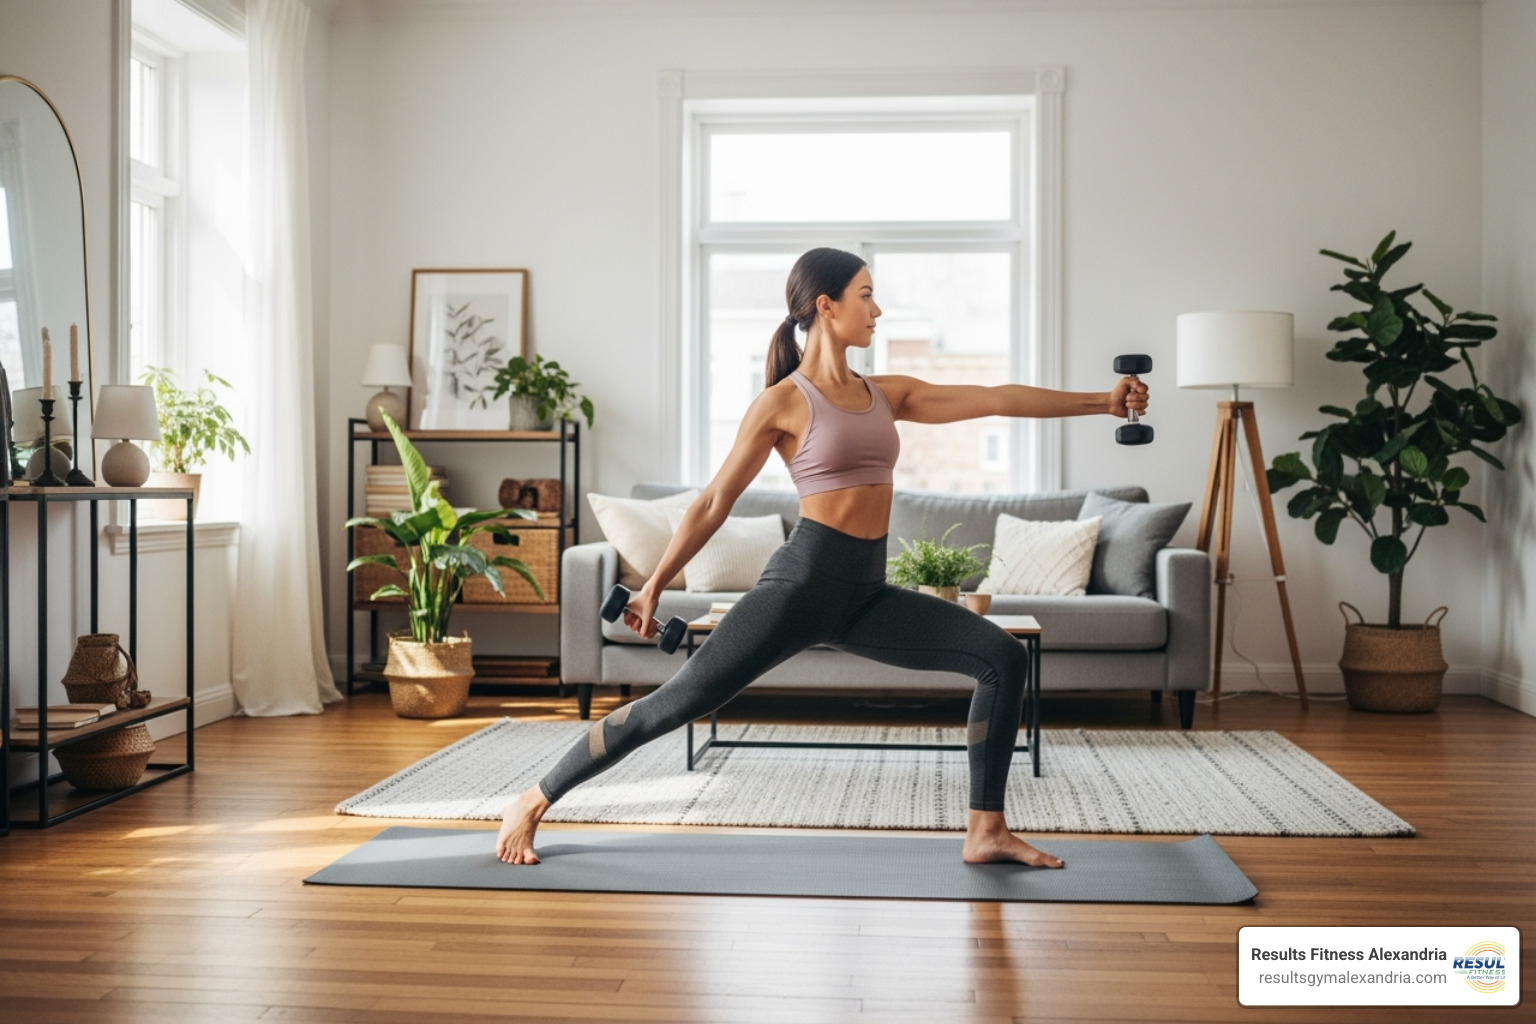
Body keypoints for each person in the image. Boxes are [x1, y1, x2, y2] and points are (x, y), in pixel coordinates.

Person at [497, 247, 1148, 868]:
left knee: (1002, 658)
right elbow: (714, 501)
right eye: (867, 296)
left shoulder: (886, 393)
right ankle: (532, 799)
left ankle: (987, 831)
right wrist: (654, 587)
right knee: (674, 705)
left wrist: (1102, 402)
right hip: (799, 588)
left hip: (866, 593)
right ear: (827, 305)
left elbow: (997, 397)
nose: (878, 310)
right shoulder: (782, 402)